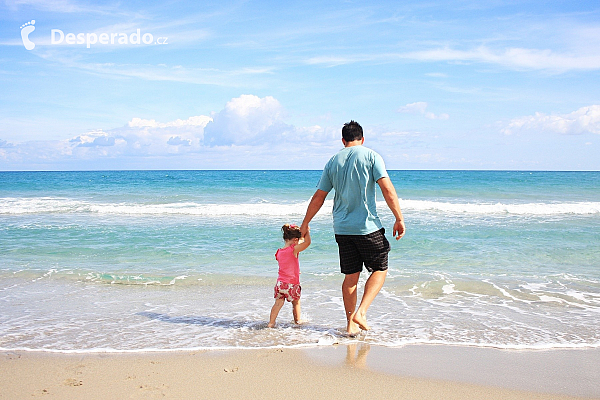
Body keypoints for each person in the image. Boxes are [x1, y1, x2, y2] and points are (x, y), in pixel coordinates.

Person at [300, 120, 405, 336]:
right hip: (367, 227)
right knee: (380, 268)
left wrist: (305, 222)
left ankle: (350, 324)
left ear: (343, 140)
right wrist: (399, 218)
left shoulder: (332, 161)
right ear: (362, 139)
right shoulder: (371, 156)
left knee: (350, 277)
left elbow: (320, 196)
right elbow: (387, 189)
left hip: (342, 228)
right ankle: (362, 312)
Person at [268, 224, 311, 328]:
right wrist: (307, 232)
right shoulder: (293, 250)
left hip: (280, 284)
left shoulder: (278, 252)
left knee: (278, 303)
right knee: (296, 303)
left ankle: (271, 323)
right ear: (295, 240)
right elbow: (307, 243)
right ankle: (297, 321)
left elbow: (286, 264)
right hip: (292, 284)